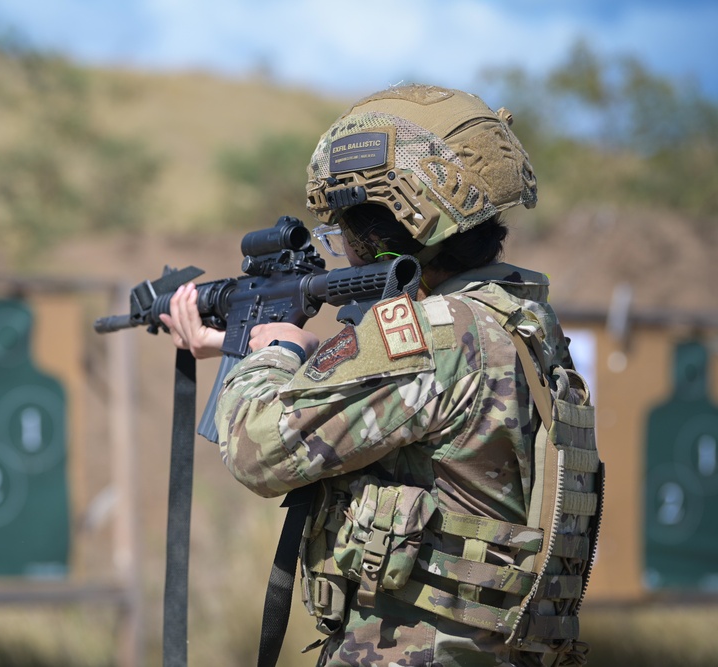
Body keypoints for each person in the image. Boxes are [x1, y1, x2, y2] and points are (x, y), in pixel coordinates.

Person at [160, 84, 601, 667]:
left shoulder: (432, 333)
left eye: (344, 225)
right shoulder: (517, 323)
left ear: (388, 225)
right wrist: (292, 351)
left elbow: (255, 449)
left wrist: (268, 354)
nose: (341, 244)